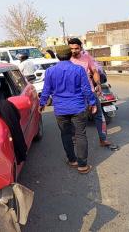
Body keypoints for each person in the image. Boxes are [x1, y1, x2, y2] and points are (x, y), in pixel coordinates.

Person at [39, 45, 97, 174]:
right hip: (78, 107)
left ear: (57, 56)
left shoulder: (50, 71)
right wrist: (92, 103)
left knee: (66, 134)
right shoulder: (79, 70)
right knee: (80, 134)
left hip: (60, 109)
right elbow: (86, 89)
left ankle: (72, 160)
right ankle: (82, 165)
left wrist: (42, 103)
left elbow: (46, 90)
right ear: (70, 54)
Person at [68, 38, 112, 147]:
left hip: (90, 92)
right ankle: (75, 139)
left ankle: (103, 139)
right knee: (74, 118)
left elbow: (95, 71)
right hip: (75, 95)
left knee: (99, 116)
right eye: (72, 48)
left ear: (81, 48)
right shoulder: (66, 60)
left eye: (76, 48)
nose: (74, 51)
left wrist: (98, 84)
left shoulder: (87, 57)